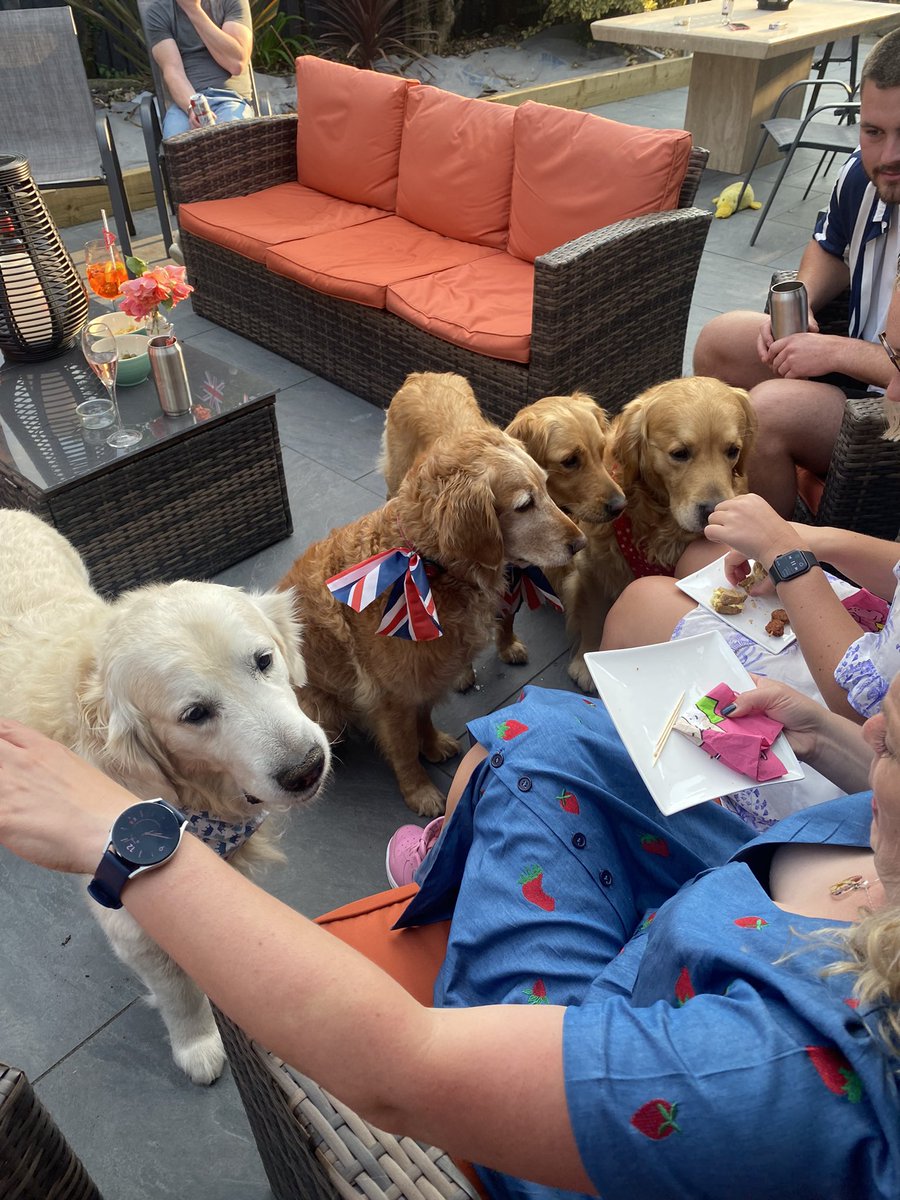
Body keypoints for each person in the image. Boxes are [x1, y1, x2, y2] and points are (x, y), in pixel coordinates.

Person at [1, 672, 899, 1199]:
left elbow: (401, 1070)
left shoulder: (800, 1067)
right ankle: (460, 862)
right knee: (539, 728)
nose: (880, 710)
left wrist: (128, 837)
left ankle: (460, 877)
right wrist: (843, 750)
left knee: (515, 765)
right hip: (739, 898)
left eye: (897, 735)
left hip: (617, 1076)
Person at [692, 27, 900, 517]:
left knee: (768, 411)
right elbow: (829, 249)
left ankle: (772, 559)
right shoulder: (861, 173)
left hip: (889, 410)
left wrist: (828, 349)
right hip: (855, 362)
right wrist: (798, 304)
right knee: (719, 341)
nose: (889, 156)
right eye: (873, 132)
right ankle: (717, 496)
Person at [145, 0, 253, 138]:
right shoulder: (158, 11)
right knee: (178, 144)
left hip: (231, 98)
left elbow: (236, 64)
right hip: (185, 104)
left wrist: (193, 9)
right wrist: (193, 109)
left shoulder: (230, 2)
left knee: (231, 142)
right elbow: (173, 72)